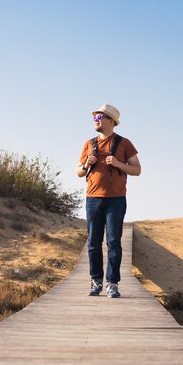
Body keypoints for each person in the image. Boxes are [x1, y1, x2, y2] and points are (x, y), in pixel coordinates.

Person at [76, 104, 141, 298]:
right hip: (93, 199)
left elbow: (137, 169)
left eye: (100, 117)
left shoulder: (124, 143)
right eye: (95, 117)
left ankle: (112, 283)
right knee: (94, 243)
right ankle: (96, 281)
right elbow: (78, 172)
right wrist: (87, 164)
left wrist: (118, 163)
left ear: (111, 121)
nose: (96, 120)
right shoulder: (89, 143)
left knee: (114, 241)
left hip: (116, 200)